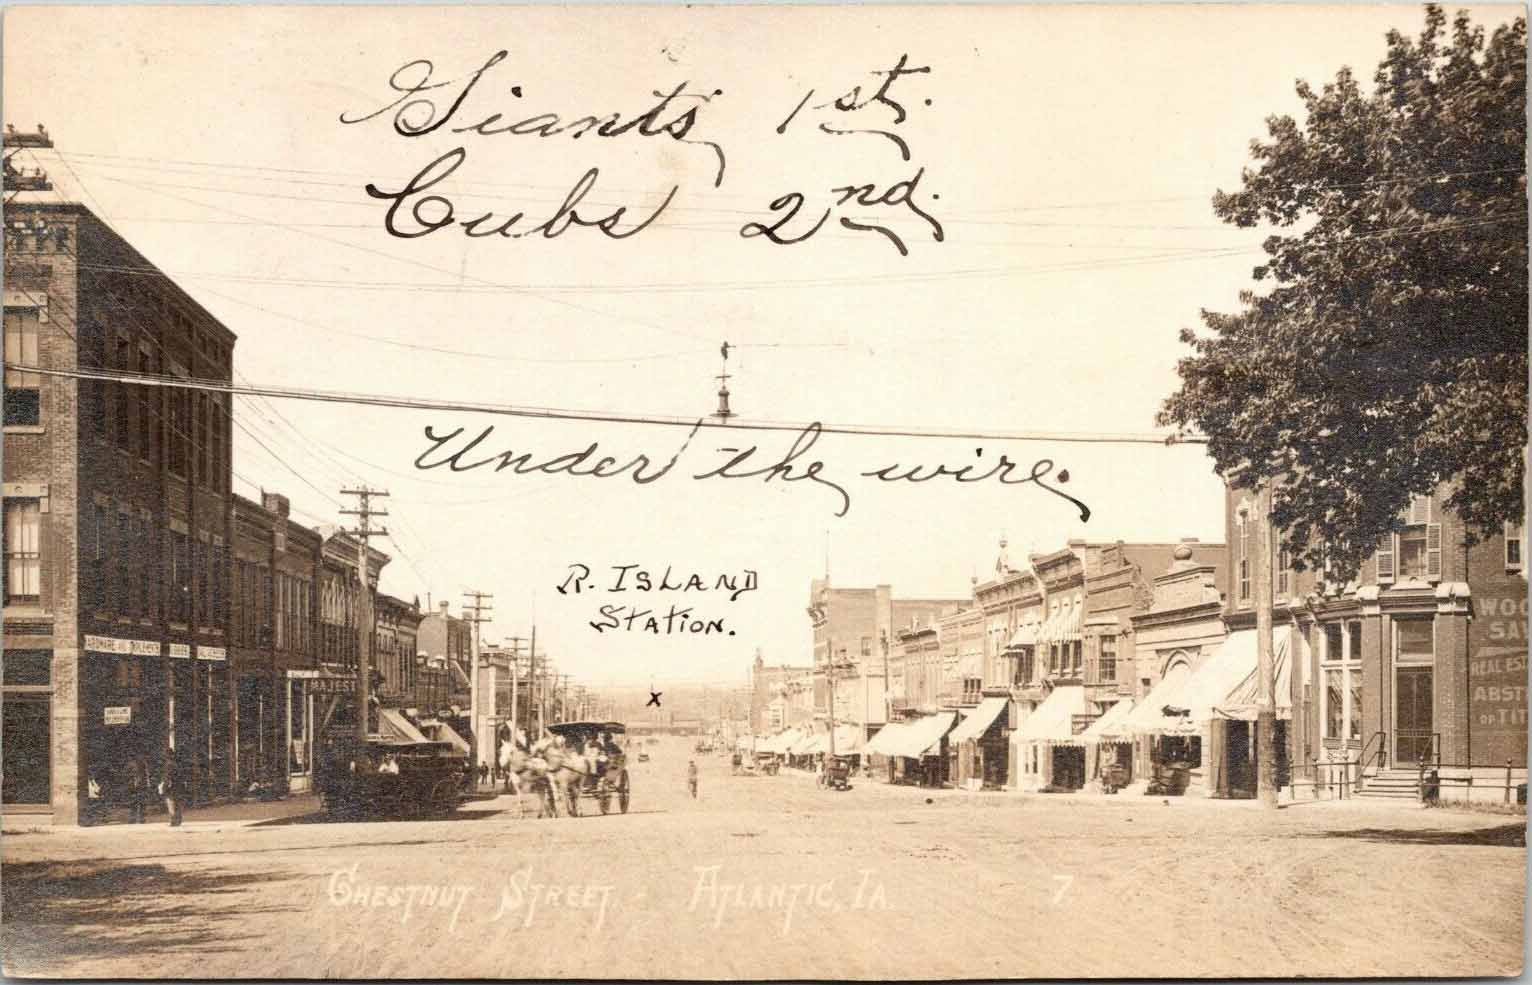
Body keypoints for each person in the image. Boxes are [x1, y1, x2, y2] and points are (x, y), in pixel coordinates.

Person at [160, 749, 183, 826]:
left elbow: (167, 777)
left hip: (171, 787)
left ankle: (173, 820)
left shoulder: (168, 764)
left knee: (171, 803)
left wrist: (164, 787)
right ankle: (178, 819)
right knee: (177, 803)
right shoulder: (175, 764)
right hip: (177, 786)